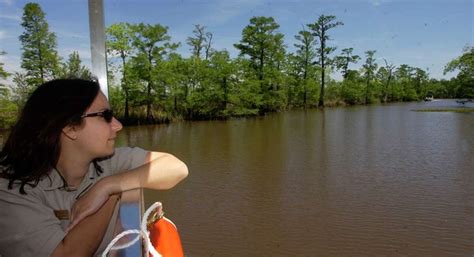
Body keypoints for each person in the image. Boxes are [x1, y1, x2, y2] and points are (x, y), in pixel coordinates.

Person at [0, 79, 188, 257]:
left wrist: (107, 186)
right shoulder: (12, 188)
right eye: (105, 116)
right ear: (70, 127)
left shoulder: (107, 161)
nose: (118, 125)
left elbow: (176, 168)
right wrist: (114, 195)